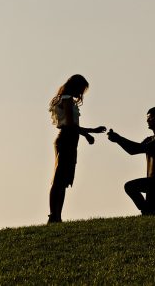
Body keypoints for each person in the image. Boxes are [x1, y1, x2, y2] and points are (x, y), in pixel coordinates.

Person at [48, 74, 106, 224]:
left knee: (64, 180)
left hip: (71, 140)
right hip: (66, 138)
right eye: (80, 89)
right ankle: (53, 216)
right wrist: (89, 133)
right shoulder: (66, 98)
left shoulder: (68, 99)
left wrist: (90, 132)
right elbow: (70, 124)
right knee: (59, 179)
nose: (81, 93)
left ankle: (57, 216)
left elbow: (73, 125)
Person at [106, 107, 155, 215]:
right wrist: (117, 140)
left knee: (130, 186)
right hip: (152, 182)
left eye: (150, 118)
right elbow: (132, 150)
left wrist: (118, 139)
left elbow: (136, 149)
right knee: (150, 214)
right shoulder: (149, 139)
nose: (147, 120)